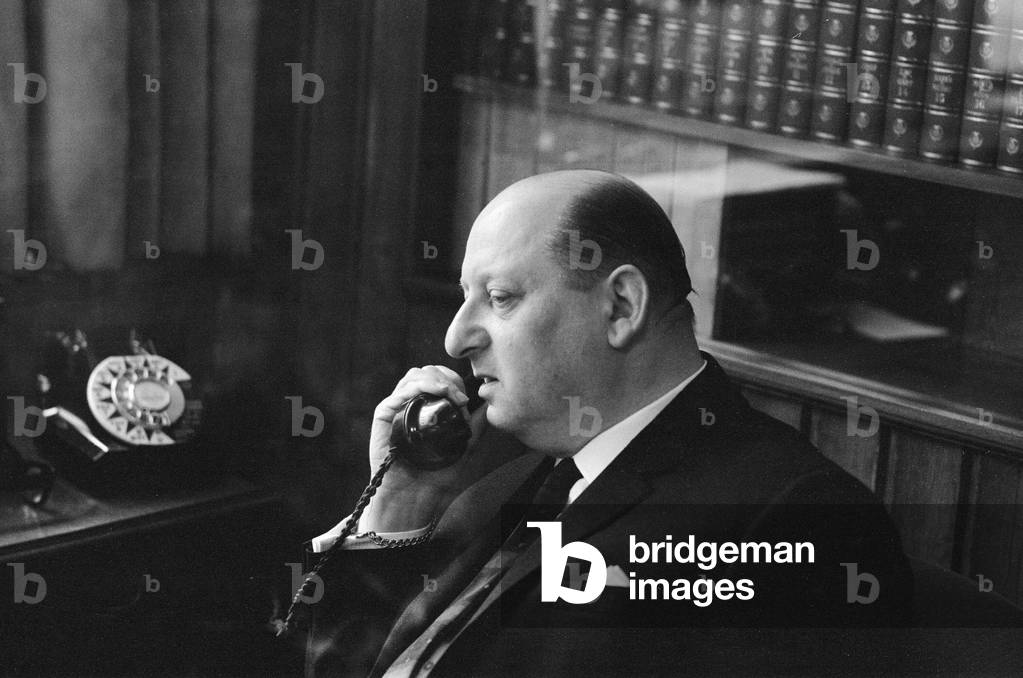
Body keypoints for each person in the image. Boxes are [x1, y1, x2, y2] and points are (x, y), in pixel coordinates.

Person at [299, 170, 912, 677]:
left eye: (501, 297)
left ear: (620, 306)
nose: (456, 337)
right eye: (465, 298)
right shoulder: (500, 491)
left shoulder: (802, 519)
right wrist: (393, 515)